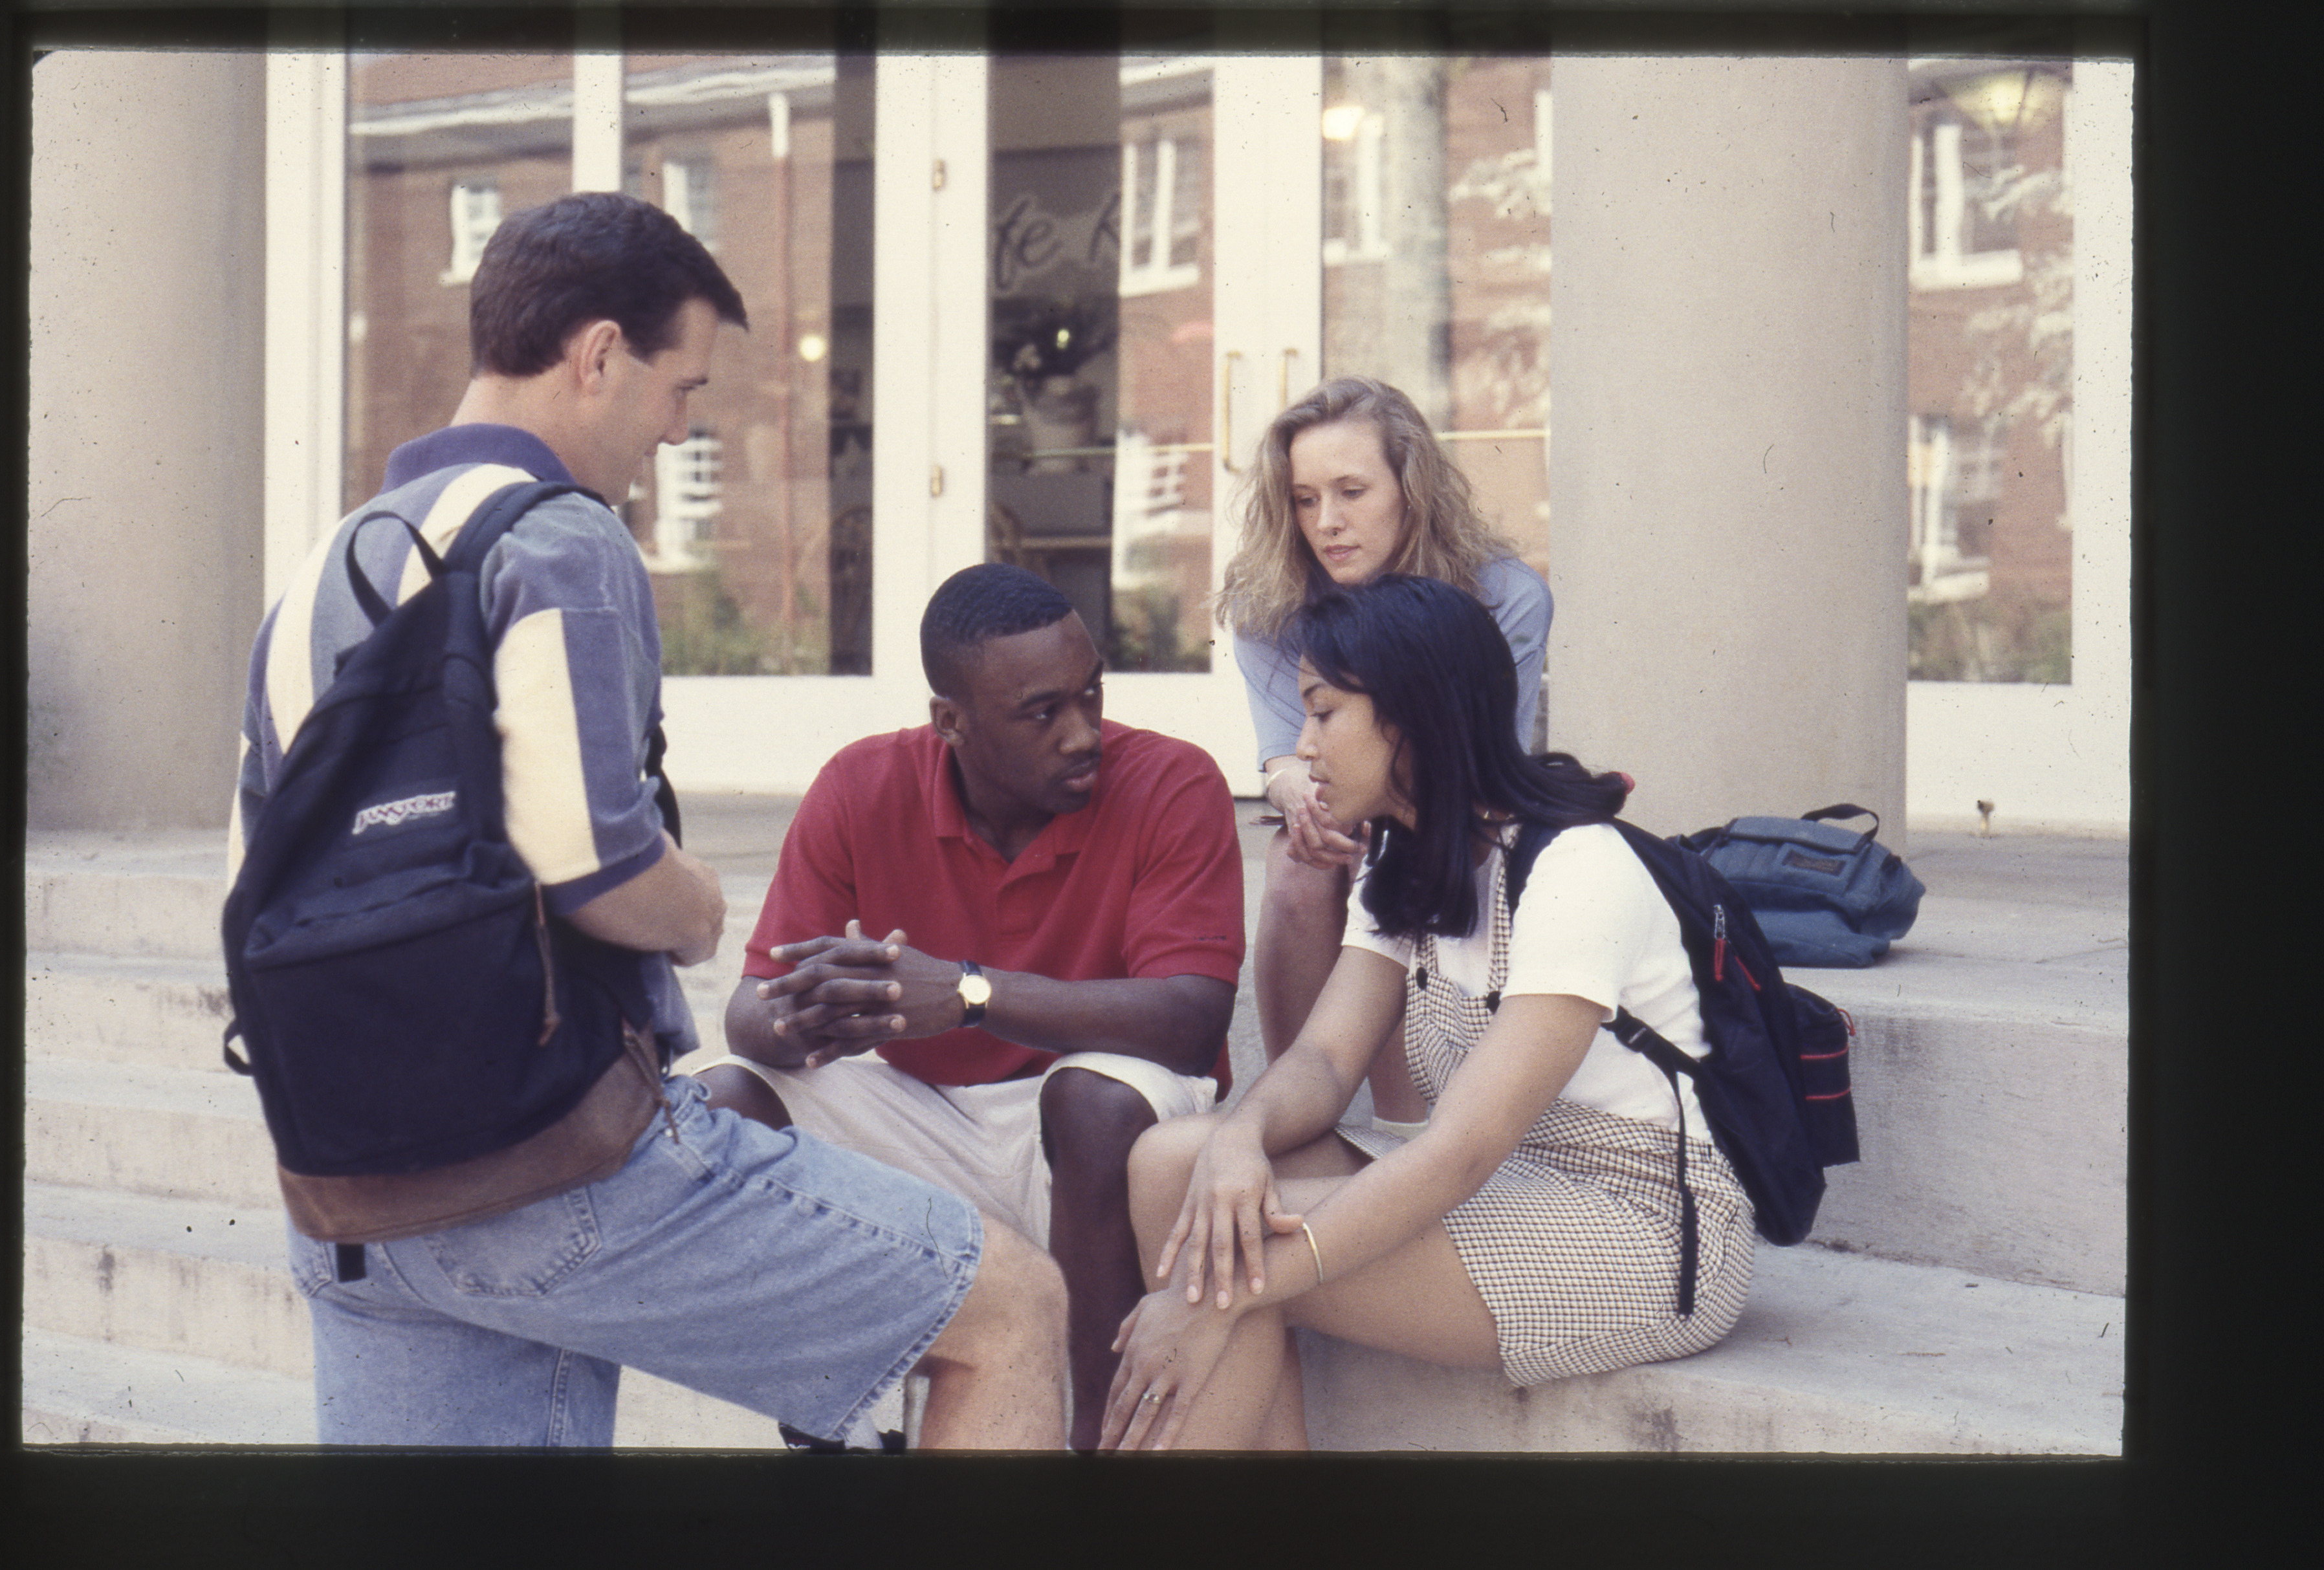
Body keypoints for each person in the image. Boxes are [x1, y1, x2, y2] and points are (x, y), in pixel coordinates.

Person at [231, 193, 1065, 1449]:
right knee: (1006, 1307)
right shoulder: (561, 537)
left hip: (348, 1196)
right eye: (682, 391)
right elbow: (593, 860)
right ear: (599, 354)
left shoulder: (325, 567)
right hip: (551, 1168)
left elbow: (254, 881)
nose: (678, 431)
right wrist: (701, 906)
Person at [1101, 574, 1753, 1451]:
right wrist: (1237, 1137)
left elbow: (1458, 1151)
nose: (1302, 745)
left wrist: (1204, 1296)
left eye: (1323, 712)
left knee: (1224, 1260)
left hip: (1639, 1225)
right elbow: (1326, 1061)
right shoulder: (1406, 854)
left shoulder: (1577, 868)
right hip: (1512, 1180)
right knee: (1173, 1162)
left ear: (1409, 717)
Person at [697, 563, 1245, 1450]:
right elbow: (750, 1017)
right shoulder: (863, 783)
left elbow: (1192, 1018)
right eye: (1042, 712)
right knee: (725, 1101)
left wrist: (968, 993)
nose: (1082, 733)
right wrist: (834, 1005)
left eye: (1091, 692)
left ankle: (1098, 1449)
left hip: (1099, 1135)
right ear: (950, 721)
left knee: (1093, 1097)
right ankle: (834, 1429)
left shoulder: (1171, 780)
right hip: (931, 1117)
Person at [1214, 376, 1553, 1133]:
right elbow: (1286, 756)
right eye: (1305, 500)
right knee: (1300, 863)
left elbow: (1479, 769)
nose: (1326, 523)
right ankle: (1295, 1120)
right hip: (1347, 802)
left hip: (1461, 813)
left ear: (1411, 488)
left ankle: (1407, 1126)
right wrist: (1295, 791)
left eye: (1352, 492)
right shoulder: (1270, 601)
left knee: (1399, 854)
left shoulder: (1504, 596)